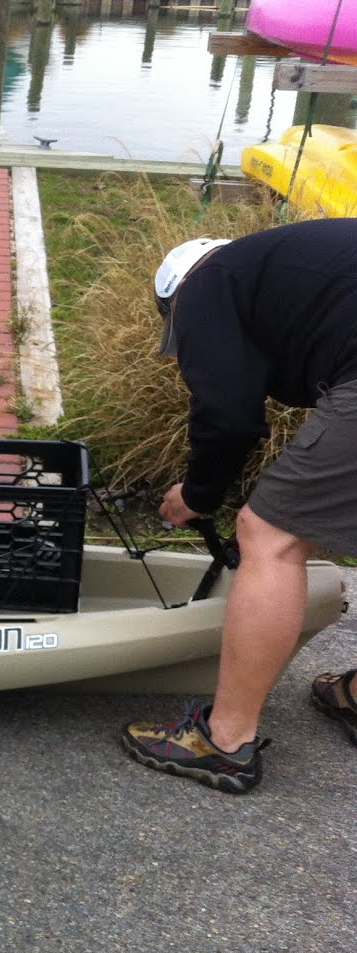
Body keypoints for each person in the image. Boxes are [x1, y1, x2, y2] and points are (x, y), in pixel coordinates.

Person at [120, 220, 357, 794]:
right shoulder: (283, 268)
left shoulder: (204, 286)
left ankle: (223, 741)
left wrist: (198, 495)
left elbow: (230, 413)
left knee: (271, 535)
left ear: (170, 301)